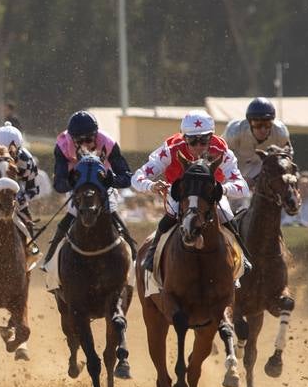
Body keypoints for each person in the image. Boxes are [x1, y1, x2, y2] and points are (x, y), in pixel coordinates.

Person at [131, 110, 250, 274]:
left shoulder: (221, 150)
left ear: (212, 137)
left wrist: (222, 188)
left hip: (209, 194)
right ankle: (152, 254)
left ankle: (242, 257)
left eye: (204, 140)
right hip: (182, 193)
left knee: (227, 215)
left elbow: (243, 187)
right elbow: (137, 177)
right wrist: (150, 185)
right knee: (171, 214)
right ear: (183, 137)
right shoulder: (171, 148)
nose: (199, 146)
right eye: (192, 140)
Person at [39, 110, 136, 285]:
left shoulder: (108, 142)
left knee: (113, 215)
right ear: (71, 138)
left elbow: (127, 177)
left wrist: (112, 180)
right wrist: (72, 182)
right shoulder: (62, 145)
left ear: (96, 135)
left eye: (89, 140)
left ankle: (135, 258)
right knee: (71, 215)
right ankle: (50, 259)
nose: (85, 144)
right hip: (78, 187)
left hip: (103, 187)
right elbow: (59, 184)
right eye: (79, 141)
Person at [222, 98, 290, 211]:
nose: (263, 129)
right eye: (258, 124)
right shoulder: (234, 132)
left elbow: (288, 157)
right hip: (234, 162)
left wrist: (255, 179)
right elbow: (220, 156)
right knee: (232, 195)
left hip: (260, 164)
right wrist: (237, 178)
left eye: (267, 124)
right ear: (249, 123)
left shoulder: (280, 133)